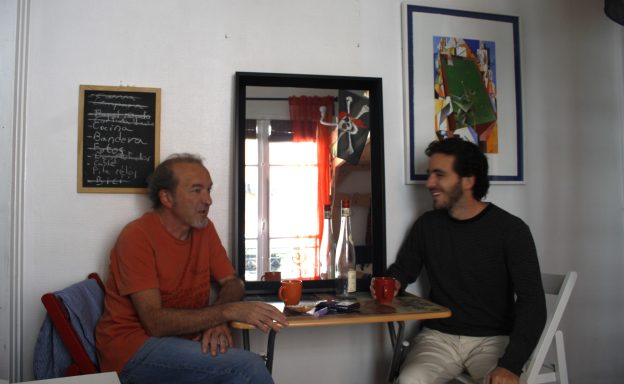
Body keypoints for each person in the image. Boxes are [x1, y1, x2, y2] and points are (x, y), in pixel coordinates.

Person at [95, 153, 288, 384]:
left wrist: (217, 321)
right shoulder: (136, 236)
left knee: (238, 360)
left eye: (209, 190)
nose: (208, 200)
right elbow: (155, 323)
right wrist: (228, 312)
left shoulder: (204, 230)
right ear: (166, 198)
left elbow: (232, 282)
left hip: (183, 340)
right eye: (197, 190)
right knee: (248, 367)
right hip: (133, 349)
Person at [377, 138, 546, 384]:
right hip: (438, 337)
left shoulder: (511, 230)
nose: (429, 183)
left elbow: (533, 303)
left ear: (468, 180)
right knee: (408, 380)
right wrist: (391, 282)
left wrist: (511, 366)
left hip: (494, 340)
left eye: (439, 175)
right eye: (429, 174)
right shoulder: (427, 225)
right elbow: (403, 271)